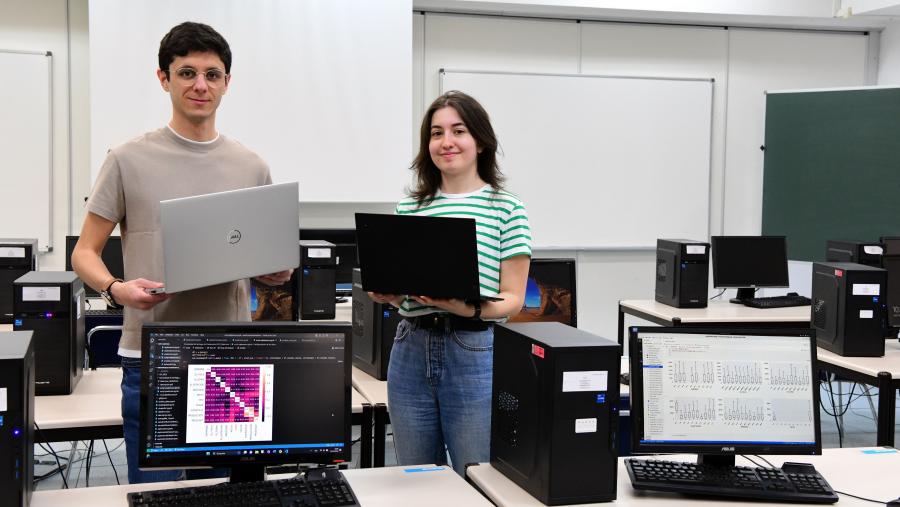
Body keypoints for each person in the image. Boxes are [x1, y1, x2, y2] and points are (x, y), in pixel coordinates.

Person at [71, 21, 291, 484]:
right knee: (156, 493)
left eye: (212, 74)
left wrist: (274, 273)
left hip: (230, 355)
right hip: (155, 354)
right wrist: (116, 288)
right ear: (163, 78)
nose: (200, 85)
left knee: (231, 492)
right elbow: (84, 253)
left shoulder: (251, 165)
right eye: (187, 72)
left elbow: (269, 262)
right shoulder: (126, 158)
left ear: (227, 83)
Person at [370, 91, 532, 476]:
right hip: (410, 346)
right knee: (416, 474)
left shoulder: (506, 208)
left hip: (473, 347)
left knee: (474, 473)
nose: (446, 142)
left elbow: (513, 299)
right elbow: (406, 291)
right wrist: (390, 295)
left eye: (458, 131)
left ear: (480, 141)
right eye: (436, 133)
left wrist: (468, 308)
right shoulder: (410, 207)